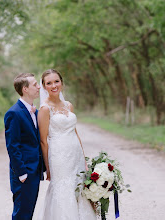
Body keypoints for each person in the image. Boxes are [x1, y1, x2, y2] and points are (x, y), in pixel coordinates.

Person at [38, 69, 96, 219]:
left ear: (62, 83)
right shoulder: (44, 109)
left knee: (78, 185)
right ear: (44, 87)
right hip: (59, 156)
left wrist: (83, 158)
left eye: (56, 81)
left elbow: (75, 133)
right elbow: (43, 141)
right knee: (63, 189)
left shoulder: (68, 105)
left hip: (74, 153)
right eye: (49, 83)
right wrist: (48, 167)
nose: (53, 85)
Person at [4, 73, 45, 220]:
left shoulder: (36, 111)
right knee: (22, 214)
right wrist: (21, 173)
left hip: (34, 171)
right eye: (35, 84)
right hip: (24, 174)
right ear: (25, 89)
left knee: (28, 212)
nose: (39, 87)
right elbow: (12, 146)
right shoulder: (13, 113)